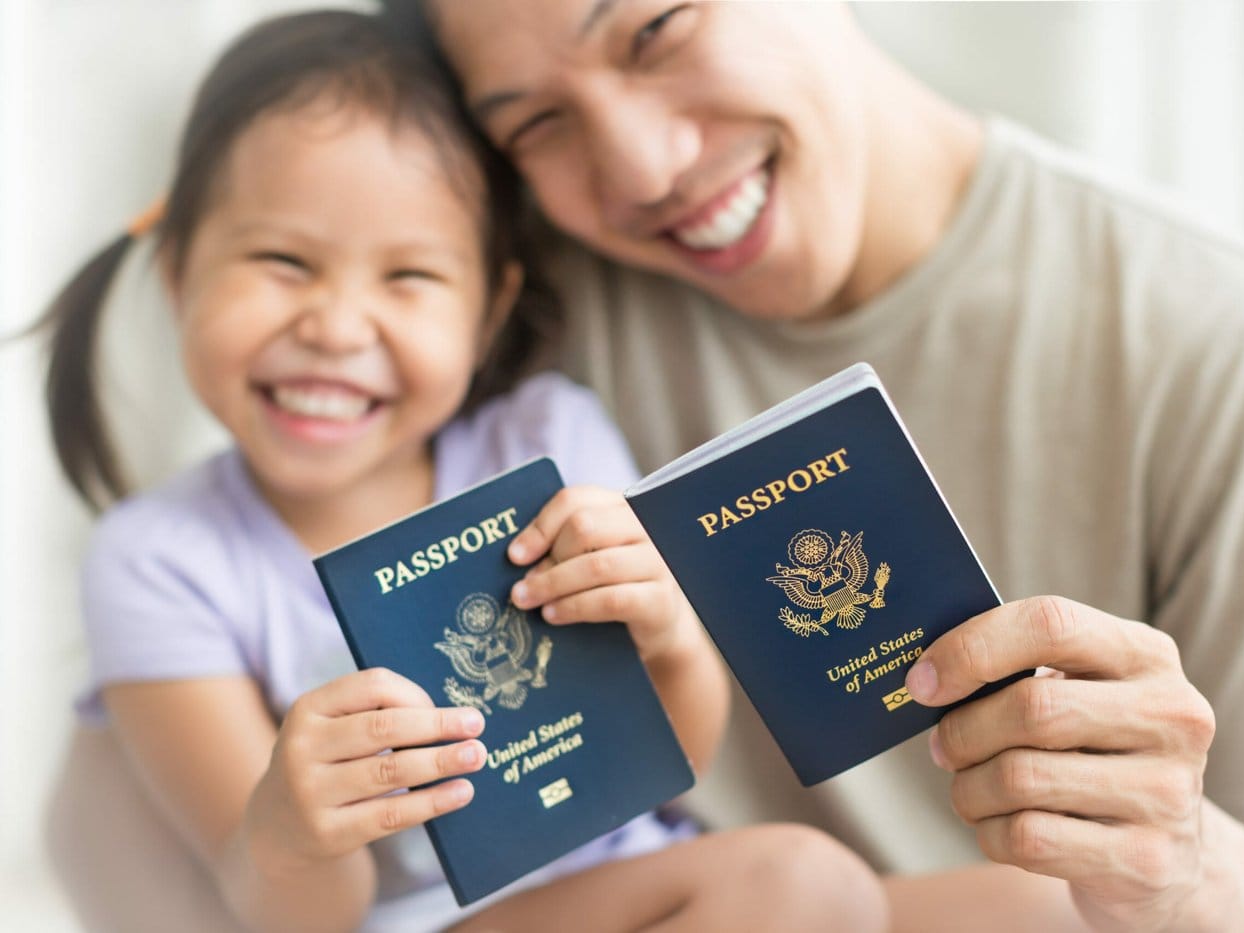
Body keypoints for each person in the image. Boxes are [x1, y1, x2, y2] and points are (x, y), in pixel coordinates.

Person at [399, 1, 1244, 929]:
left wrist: (1185, 869)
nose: (641, 168)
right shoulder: (489, 311)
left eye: (656, 28)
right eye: (534, 124)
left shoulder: (1221, 338)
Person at [36, 10, 888, 933]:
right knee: (802, 884)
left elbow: (662, 769)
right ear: (176, 274)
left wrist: (672, 638)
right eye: (284, 261)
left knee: (1026, 902)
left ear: (489, 314)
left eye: (408, 278)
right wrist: (289, 831)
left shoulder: (548, 440)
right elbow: (291, 917)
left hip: (647, 878)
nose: (335, 325)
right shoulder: (159, 559)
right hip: (421, 920)